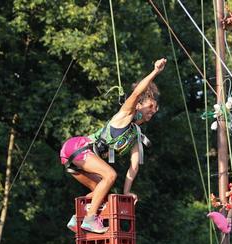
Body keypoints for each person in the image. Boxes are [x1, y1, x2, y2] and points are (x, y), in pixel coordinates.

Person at [60, 58, 167, 233]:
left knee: (100, 190)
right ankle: (89, 219)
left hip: (74, 158)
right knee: (110, 174)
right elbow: (136, 93)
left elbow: (133, 167)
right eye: (150, 105)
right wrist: (155, 72)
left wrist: (126, 193)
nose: (153, 110)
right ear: (139, 105)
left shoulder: (135, 135)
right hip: (77, 147)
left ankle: (77, 218)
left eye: (155, 108)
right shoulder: (126, 114)